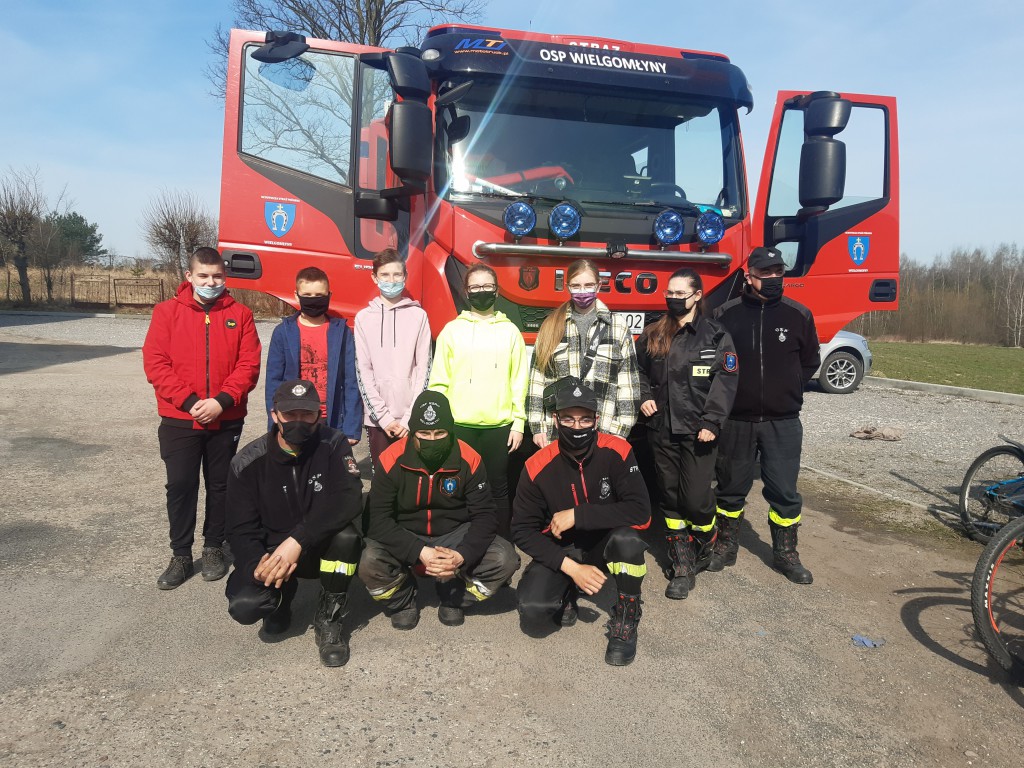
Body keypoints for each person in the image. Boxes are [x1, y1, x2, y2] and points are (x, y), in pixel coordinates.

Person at [142, 246, 261, 590]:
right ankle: (180, 554)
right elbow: (156, 363)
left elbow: (249, 364)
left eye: (217, 276)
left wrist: (221, 401)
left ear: (225, 276)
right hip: (180, 417)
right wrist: (191, 402)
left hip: (226, 416)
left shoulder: (241, 314)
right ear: (189, 276)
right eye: (204, 276)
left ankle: (213, 547)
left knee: (221, 485)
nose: (211, 282)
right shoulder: (166, 312)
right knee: (181, 485)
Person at [513, 378, 652, 666]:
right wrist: (571, 568)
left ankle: (627, 616)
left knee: (628, 540)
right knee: (534, 611)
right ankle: (568, 589)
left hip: (604, 544)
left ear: (596, 420)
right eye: (568, 419)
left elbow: (641, 511)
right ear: (556, 420)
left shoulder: (618, 450)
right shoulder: (536, 465)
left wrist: (578, 514)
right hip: (563, 549)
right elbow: (522, 530)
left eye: (585, 419)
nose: (577, 427)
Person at [224, 380, 364, 667]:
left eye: (306, 414)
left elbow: (349, 498)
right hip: (273, 552)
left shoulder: (333, 443)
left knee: (348, 538)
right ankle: (281, 599)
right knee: (246, 606)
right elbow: (239, 529)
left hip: (317, 543)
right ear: (274, 414)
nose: (298, 422)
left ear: (318, 416)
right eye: (290, 415)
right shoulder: (247, 462)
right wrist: (257, 567)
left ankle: (330, 617)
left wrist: (299, 539)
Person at [359, 390, 520, 629]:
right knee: (368, 560)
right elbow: (377, 518)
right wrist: (418, 551)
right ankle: (402, 598)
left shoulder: (469, 458)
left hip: (454, 532)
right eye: (424, 434)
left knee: (505, 559)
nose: (432, 440)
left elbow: (485, 516)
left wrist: (461, 555)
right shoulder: (391, 458)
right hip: (405, 531)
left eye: (440, 433)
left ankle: (454, 594)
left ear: (450, 431)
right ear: (413, 431)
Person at [712, 246, 820, 583]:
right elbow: (713, 362)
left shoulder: (798, 314)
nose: (773, 278)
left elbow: (810, 361)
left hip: (782, 422)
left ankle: (786, 553)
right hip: (736, 420)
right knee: (730, 489)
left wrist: (788, 388)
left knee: (785, 492)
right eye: (765, 273)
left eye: (778, 272)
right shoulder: (725, 314)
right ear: (749, 276)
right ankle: (725, 545)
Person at [636, 268, 738, 599]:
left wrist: (712, 421)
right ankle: (682, 563)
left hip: (699, 432)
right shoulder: (653, 333)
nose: (674, 298)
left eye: (681, 293)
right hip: (661, 428)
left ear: (697, 295)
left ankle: (707, 537)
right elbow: (637, 370)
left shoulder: (715, 335)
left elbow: (726, 380)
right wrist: (644, 396)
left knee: (695, 499)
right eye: (670, 293)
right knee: (669, 497)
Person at [428, 264, 529, 538]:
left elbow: (519, 381)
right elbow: (438, 382)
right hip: (459, 426)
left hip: (499, 427)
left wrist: (518, 423)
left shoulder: (511, 332)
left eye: (487, 286)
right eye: (475, 287)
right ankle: (459, 539)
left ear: (496, 291)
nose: (481, 291)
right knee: (456, 486)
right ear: (466, 291)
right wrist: (441, 425)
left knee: (498, 489)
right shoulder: (451, 331)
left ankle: (502, 542)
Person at [527, 258, 640, 449]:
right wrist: (538, 427)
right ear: (567, 287)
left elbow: (628, 382)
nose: (582, 291)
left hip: (604, 432)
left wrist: (620, 430)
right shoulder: (551, 325)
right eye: (576, 286)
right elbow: (537, 378)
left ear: (599, 286)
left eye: (588, 285)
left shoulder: (617, 326)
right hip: (558, 432)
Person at [264, 266, 362, 445]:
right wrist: (275, 423)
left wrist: (352, 428)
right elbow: (273, 382)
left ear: (329, 295)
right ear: (296, 296)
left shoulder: (342, 332)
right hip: (294, 417)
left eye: (319, 295)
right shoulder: (283, 332)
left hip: (332, 418)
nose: (313, 300)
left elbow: (351, 381)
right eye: (307, 295)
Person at [354, 247, 433, 466]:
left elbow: (424, 369)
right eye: (385, 275)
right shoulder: (363, 318)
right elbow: (363, 371)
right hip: (378, 420)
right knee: (382, 477)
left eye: (397, 274)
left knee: (413, 477)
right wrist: (383, 417)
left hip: (411, 419)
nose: (391, 280)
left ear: (405, 276)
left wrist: (410, 418)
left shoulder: (419, 316)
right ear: (374, 277)